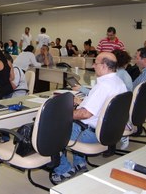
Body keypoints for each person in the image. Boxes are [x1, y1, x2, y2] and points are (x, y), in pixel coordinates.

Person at [52, 52, 127, 183]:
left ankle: (64, 169)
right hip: (106, 131)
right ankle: (79, 163)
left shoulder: (103, 86)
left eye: (96, 63)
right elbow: (102, 107)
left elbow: (85, 114)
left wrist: (61, 114)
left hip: (88, 132)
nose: (93, 65)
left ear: (104, 66)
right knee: (71, 121)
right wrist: (83, 103)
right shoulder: (119, 82)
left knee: (49, 129)